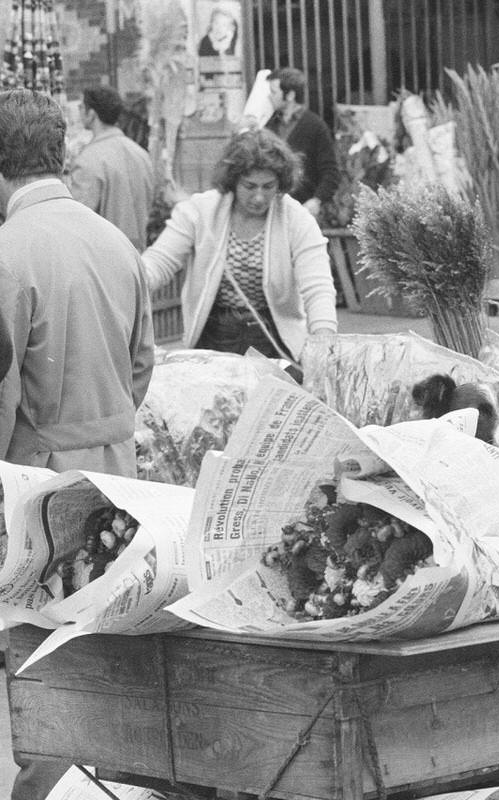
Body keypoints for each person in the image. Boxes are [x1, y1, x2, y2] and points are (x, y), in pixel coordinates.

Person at [0, 87, 155, 800]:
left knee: (37, 658)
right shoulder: (113, 241)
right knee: (93, 654)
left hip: (34, 483)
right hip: (118, 476)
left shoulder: (9, 251)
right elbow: (143, 364)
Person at [140, 128, 337, 363]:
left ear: (281, 184)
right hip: (212, 338)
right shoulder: (199, 211)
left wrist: (324, 342)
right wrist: (129, 284)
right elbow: (159, 263)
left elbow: (318, 287)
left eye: (269, 186)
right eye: (250, 186)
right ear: (233, 181)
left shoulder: (296, 219)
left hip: (274, 339)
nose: (259, 197)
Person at [66, 85, 156, 249]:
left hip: (105, 259)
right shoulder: (141, 154)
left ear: (92, 114)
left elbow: (77, 221)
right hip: (140, 255)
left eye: (81, 107)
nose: (78, 112)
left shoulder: (88, 160)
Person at [265, 67, 340, 218]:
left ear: (290, 95)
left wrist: (316, 201)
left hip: (303, 209)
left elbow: (330, 171)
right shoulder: (269, 125)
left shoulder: (315, 126)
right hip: (273, 209)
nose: (269, 97)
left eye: (274, 92)